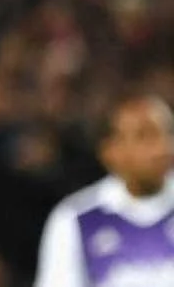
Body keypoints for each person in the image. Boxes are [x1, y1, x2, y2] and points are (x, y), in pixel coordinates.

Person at [34, 94, 174, 287]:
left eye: (168, 132)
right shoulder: (76, 217)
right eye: (144, 136)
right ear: (110, 152)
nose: (162, 147)